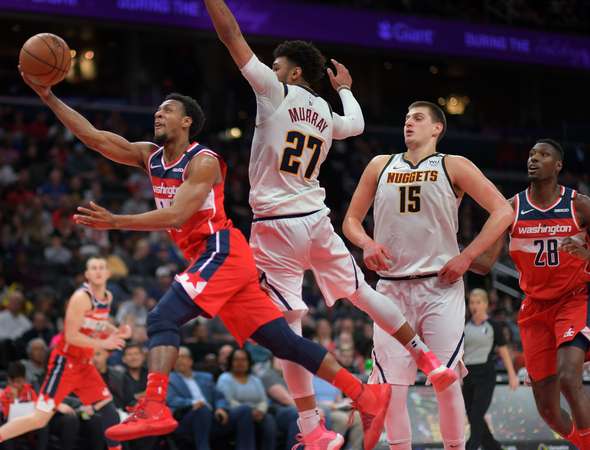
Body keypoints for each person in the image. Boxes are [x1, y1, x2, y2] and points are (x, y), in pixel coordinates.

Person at [20, 64, 393, 450]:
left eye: (165, 110)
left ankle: (154, 405)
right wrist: (48, 96)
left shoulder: (204, 161)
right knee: (283, 343)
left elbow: (178, 215)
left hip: (222, 249)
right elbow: (94, 138)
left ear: (186, 122)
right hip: (217, 261)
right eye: (157, 111)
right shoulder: (149, 156)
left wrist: (118, 221)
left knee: (162, 316)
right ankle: (366, 395)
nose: (157, 115)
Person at [203, 1, 457, 448]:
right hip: (317, 219)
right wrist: (346, 89)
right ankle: (429, 359)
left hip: (275, 226)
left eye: (277, 64)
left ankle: (312, 430)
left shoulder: (273, 91)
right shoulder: (323, 111)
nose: (271, 68)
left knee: (288, 326)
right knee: (364, 294)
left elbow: (230, 35)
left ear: (293, 72)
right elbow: (355, 125)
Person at [342, 101, 514, 450]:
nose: (409, 123)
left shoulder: (453, 164)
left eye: (418, 118)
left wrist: (467, 256)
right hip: (391, 290)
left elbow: (502, 211)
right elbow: (350, 221)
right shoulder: (380, 165)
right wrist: (366, 244)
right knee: (393, 386)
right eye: (406, 118)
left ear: (437, 128)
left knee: (446, 382)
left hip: (441, 285)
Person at [471, 139, 590, 450]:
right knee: (548, 411)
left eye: (543, 154)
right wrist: (445, 252)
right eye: (531, 154)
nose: (533, 159)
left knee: (568, 377)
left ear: (559, 165)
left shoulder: (579, 205)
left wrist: (586, 255)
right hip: (534, 309)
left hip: (574, 299)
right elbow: (484, 264)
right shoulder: (511, 208)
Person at [0, 256, 131, 450]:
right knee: (39, 419)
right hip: (65, 363)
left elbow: (99, 324)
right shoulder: (81, 298)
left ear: (107, 273)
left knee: (110, 412)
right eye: (93, 268)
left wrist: (117, 332)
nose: (97, 271)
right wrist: (103, 342)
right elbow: (70, 336)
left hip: (84, 365)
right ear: (87, 275)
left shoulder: (107, 297)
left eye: (101, 268)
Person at [463, 288, 519, 450]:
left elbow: (503, 349)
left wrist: (512, 375)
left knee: (476, 415)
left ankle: (470, 447)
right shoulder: (465, 325)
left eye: (478, 302)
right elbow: (461, 351)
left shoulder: (493, 324)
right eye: (472, 302)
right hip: (467, 374)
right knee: (472, 416)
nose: (474, 306)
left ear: (486, 304)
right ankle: (494, 447)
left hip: (485, 375)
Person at [169, 346, 255, 450]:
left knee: (245, 409)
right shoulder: (169, 379)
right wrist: (193, 402)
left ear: (190, 361)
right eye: (176, 358)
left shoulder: (206, 377)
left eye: (183, 357)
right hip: (187, 417)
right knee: (202, 408)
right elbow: (171, 399)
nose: (180, 360)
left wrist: (221, 408)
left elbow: (218, 397)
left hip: (212, 417)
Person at [216, 348, 276, 450]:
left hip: (256, 413)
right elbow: (228, 401)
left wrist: (260, 411)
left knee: (268, 420)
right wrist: (249, 412)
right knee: (245, 411)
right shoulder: (225, 378)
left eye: (244, 359)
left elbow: (263, 400)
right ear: (231, 362)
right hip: (233, 414)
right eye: (236, 359)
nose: (240, 362)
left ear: (249, 362)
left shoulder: (255, 379)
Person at [0, 361, 49, 450]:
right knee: (4, 427)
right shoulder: (5, 395)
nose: (16, 385)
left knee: (44, 425)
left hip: (29, 422)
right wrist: (14, 399)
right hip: (13, 423)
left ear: (24, 378)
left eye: (19, 381)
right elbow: (8, 415)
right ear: (8, 379)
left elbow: (36, 409)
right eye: (13, 382)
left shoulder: (30, 392)